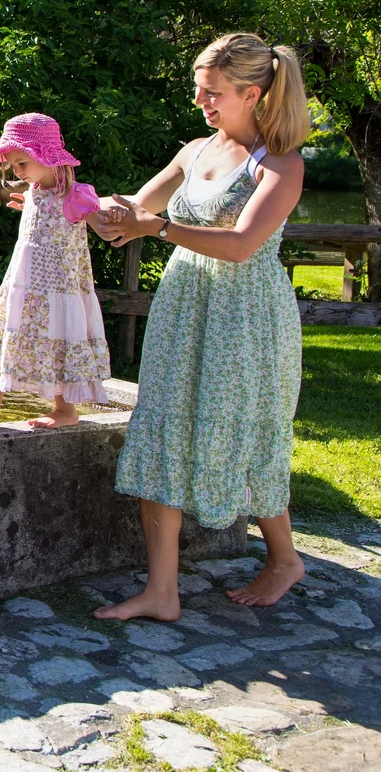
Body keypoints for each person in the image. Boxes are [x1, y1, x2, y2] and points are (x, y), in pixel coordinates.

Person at [89, 33, 311, 619]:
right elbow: (133, 208)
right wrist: (63, 196)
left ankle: (284, 559)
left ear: (253, 94)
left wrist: (154, 229)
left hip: (246, 319)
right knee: (162, 429)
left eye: (212, 93)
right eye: (198, 90)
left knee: (242, 433)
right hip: (185, 309)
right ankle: (162, 592)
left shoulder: (282, 166)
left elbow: (240, 246)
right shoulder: (194, 152)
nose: (201, 102)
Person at [0, 113, 112, 428]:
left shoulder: (76, 195)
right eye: (13, 165)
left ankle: (65, 411)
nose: (16, 171)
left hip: (59, 289)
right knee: (2, 331)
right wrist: (27, 206)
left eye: (21, 163)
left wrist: (110, 219)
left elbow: (101, 226)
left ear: (45, 155)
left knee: (59, 339)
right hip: (23, 285)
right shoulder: (34, 193)